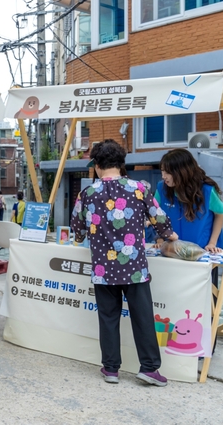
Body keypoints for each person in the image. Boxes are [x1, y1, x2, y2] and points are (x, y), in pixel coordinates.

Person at [70, 139, 178, 387]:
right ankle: (149, 368)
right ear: (121, 164)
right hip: (135, 269)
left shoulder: (87, 193)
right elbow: (161, 222)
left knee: (108, 317)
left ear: (97, 166)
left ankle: (110, 369)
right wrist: (171, 236)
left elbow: (77, 230)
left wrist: (82, 234)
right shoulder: (139, 188)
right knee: (142, 316)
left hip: (102, 270)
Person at [155, 149, 223, 254]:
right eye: (162, 170)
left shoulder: (206, 190)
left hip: (202, 250)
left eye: (168, 172)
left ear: (183, 171)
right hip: (172, 251)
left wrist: (212, 243)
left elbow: (220, 214)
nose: (163, 176)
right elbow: (154, 214)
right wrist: (159, 238)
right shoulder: (162, 188)